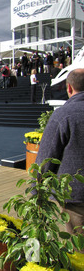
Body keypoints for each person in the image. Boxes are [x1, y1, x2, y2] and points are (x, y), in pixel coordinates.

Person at [35, 68, 84, 236]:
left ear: (69, 88)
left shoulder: (63, 115)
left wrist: (37, 192)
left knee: (79, 252)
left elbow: (46, 159)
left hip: (76, 199)